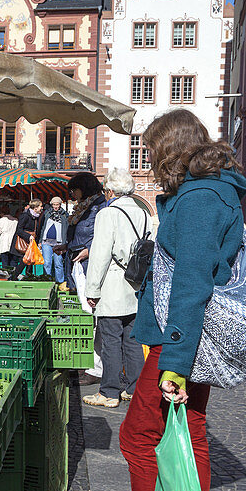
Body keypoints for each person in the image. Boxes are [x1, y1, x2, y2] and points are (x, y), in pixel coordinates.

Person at [84, 109, 246, 491]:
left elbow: (192, 284)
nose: (150, 164)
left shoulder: (199, 199)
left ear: (171, 151)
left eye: (153, 153)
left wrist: (174, 364)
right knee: (190, 432)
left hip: (181, 341)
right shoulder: (213, 192)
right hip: (190, 337)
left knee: (137, 438)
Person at [82, 169, 152, 408]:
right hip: (135, 284)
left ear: (110, 191)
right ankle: (135, 388)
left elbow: (100, 255)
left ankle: (109, 392)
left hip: (112, 285)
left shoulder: (108, 214)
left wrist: (92, 290)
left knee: (110, 340)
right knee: (132, 339)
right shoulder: (144, 212)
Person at [64, 172, 106, 289]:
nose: (72, 193)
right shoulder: (82, 207)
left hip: (89, 264)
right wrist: (67, 246)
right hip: (76, 261)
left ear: (85, 188)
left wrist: (89, 250)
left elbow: (105, 237)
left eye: (74, 190)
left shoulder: (101, 207)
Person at [10, 200, 44, 279]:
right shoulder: (25, 216)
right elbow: (19, 230)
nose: (41, 208)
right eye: (40, 206)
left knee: (29, 261)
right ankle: (13, 277)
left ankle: (28, 277)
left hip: (30, 243)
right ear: (35, 208)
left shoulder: (36, 217)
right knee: (24, 261)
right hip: (22, 242)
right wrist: (28, 236)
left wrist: (38, 241)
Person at [41, 197, 69, 287]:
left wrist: (65, 242)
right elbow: (43, 227)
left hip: (59, 243)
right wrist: (40, 240)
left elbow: (66, 229)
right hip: (46, 242)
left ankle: (59, 283)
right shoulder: (47, 213)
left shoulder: (64, 215)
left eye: (57, 204)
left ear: (60, 205)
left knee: (58, 264)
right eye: (54, 204)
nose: (55, 206)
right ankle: (47, 281)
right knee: (47, 263)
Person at [0, 208, 20, 272]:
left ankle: (6, 278)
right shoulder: (15, 220)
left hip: (4, 244)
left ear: (2, 213)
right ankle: (13, 277)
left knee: (5, 265)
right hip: (13, 244)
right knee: (13, 264)